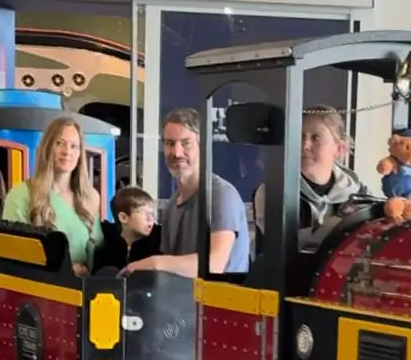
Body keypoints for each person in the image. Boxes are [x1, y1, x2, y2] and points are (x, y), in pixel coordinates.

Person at [121, 108, 249, 278]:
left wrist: (154, 263)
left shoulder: (221, 195)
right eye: (170, 143)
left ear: (202, 146)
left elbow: (215, 264)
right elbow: (171, 274)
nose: (177, 152)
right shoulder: (171, 207)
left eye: (186, 143)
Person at [251, 105, 366, 248]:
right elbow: (281, 243)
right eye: (300, 136)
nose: (305, 145)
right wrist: (337, 224)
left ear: (339, 148)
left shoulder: (359, 193)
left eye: (316, 138)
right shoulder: (273, 191)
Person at [2, 117, 102, 276]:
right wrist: (66, 271)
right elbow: (14, 256)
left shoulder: (91, 197)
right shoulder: (20, 196)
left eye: (74, 146)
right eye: (59, 143)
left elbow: (98, 249)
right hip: (41, 292)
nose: (67, 151)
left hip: (88, 289)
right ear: (47, 147)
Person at [91, 186, 161, 273]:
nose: (150, 219)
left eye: (151, 213)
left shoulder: (158, 245)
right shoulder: (105, 250)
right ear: (123, 217)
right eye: (144, 213)